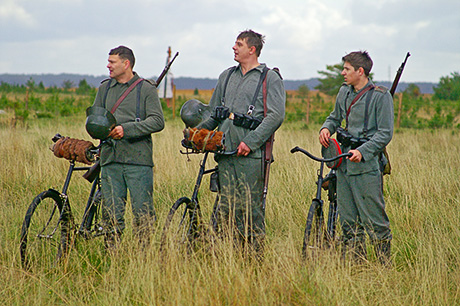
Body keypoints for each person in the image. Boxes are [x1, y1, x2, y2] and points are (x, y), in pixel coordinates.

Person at [198, 30, 285, 257]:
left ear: (252, 49)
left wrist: (251, 142)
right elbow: (214, 113)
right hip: (225, 153)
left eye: (238, 44)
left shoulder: (269, 78)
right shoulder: (227, 76)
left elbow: (275, 116)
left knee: (249, 210)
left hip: (251, 157)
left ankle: (253, 262)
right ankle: (223, 258)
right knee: (225, 208)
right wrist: (199, 133)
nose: (234, 48)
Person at [319, 51, 393, 265]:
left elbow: (384, 134)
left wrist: (363, 151)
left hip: (366, 165)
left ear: (360, 71)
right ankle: (355, 266)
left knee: (375, 220)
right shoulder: (344, 92)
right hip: (343, 164)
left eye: (347, 69)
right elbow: (334, 117)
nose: (343, 72)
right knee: (348, 220)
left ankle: (382, 268)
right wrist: (326, 128)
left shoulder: (380, 96)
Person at [91, 45, 165, 249]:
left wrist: (127, 129)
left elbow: (158, 121)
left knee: (143, 215)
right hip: (110, 160)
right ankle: (111, 257)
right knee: (111, 216)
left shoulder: (146, 89)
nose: (108, 65)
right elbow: (95, 120)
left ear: (126, 64)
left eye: (112, 62)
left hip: (138, 161)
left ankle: (143, 260)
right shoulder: (104, 89)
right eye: (108, 61)